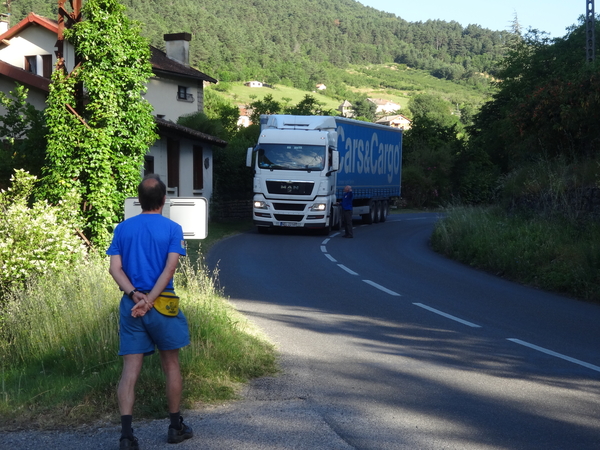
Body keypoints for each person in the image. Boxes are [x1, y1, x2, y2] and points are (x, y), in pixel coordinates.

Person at [107, 174, 193, 449]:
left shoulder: (123, 228)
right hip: (163, 304)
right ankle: (175, 427)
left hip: (131, 306)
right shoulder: (172, 229)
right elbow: (170, 269)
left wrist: (136, 297)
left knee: (130, 371)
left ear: (139, 201)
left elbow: (115, 269)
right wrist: (151, 300)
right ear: (164, 200)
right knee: (171, 365)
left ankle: (126, 435)